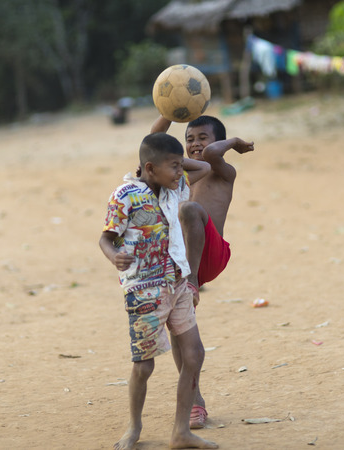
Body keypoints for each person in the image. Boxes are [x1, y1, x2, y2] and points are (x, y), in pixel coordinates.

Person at [99, 132, 218, 450]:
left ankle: (181, 431)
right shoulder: (125, 194)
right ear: (149, 168)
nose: (181, 173)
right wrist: (115, 257)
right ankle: (133, 426)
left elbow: (202, 170)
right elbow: (105, 239)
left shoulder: (176, 187)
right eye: (174, 166)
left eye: (181, 166)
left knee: (194, 354)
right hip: (144, 289)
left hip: (177, 282)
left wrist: (178, 160)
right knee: (144, 365)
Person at [151, 115, 254, 429]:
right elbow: (152, 144)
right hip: (180, 259)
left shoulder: (224, 171)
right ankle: (196, 403)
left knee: (189, 209)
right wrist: (168, 112)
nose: (196, 144)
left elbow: (211, 156)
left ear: (219, 143)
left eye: (203, 138)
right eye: (190, 138)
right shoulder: (179, 173)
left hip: (209, 255)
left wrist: (234, 143)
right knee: (178, 330)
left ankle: (193, 282)